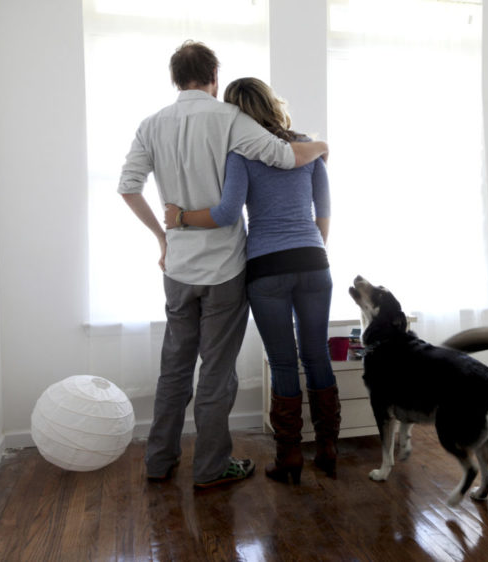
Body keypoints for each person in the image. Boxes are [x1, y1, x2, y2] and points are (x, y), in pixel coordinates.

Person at [118, 41, 329, 489]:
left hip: (178, 268)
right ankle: (211, 468)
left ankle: (159, 460)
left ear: (175, 78)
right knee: (216, 372)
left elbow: (128, 186)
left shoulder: (151, 125)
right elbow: (285, 156)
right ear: (215, 76)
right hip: (226, 271)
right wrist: (321, 146)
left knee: (174, 367)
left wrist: (163, 235)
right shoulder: (231, 119)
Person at [164, 77, 341, 485]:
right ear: (272, 103)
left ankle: (289, 456)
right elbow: (324, 212)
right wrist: (311, 251)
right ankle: (328, 448)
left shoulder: (241, 153)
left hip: (266, 268)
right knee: (317, 354)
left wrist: (181, 217)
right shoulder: (307, 149)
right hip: (314, 261)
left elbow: (227, 213)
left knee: (283, 361)